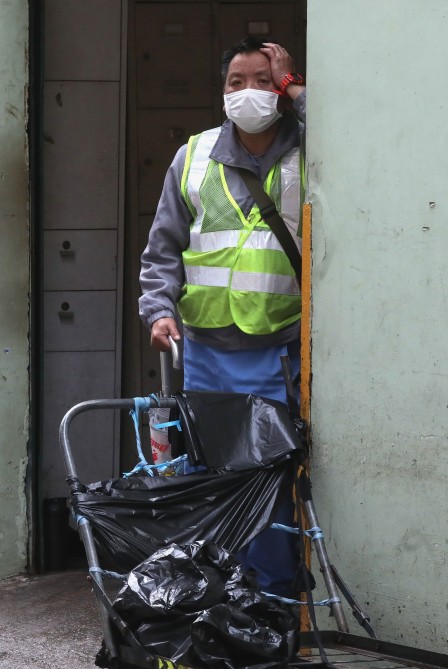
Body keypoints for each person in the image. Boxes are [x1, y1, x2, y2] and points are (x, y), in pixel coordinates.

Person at [138, 37, 307, 598]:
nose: (247, 92)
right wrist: (159, 309)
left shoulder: (312, 150)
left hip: (278, 349)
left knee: (271, 480)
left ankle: (274, 599)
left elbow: (352, 132)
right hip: (205, 353)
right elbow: (163, 247)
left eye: (263, 80)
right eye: (236, 82)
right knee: (213, 479)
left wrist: (292, 91)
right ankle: (221, 594)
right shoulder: (193, 156)